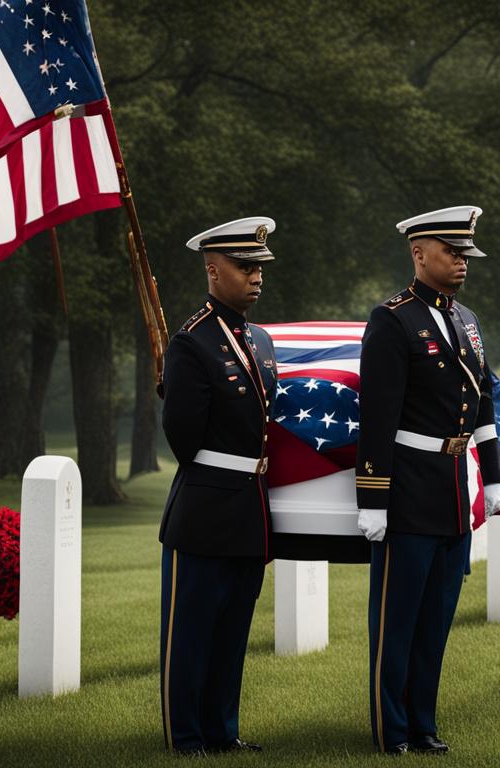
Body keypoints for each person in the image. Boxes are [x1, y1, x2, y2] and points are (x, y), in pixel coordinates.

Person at [355, 205, 500, 755]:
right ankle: (390, 729)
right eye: (452, 252)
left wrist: (491, 477)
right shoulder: (392, 320)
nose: (463, 261)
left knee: (436, 619)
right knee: (398, 622)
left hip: (453, 488)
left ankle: (423, 723)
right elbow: (378, 415)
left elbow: (484, 402)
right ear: (419, 254)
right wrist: (372, 498)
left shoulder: (467, 321)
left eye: (466, 253)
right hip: (408, 491)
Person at [158, 217, 280, 755]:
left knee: (232, 632)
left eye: (260, 267)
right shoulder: (193, 342)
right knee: (192, 633)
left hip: (250, 508)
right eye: (244, 266)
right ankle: (186, 737)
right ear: (213, 270)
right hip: (206, 508)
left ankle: (222, 732)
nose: (256, 276)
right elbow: (183, 441)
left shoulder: (260, 338)